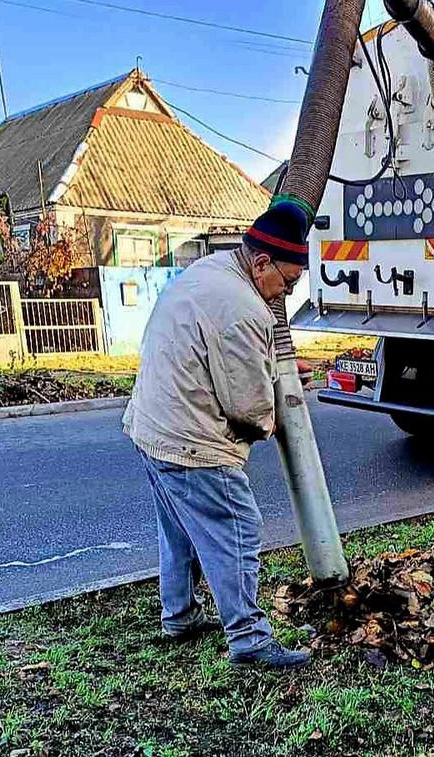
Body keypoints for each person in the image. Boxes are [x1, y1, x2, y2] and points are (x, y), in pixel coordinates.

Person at [124, 202, 310, 669]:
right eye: (287, 282)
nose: (286, 293)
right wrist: (275, 415)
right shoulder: (245, 308)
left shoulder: (213, 269)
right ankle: (249, 639)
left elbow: (219, 355)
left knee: (180, 530)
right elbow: (248, 409)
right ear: (262, 263)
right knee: (238, 529)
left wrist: (275, 372)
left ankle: (180, 616)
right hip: (191, 441)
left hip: (152, 426)